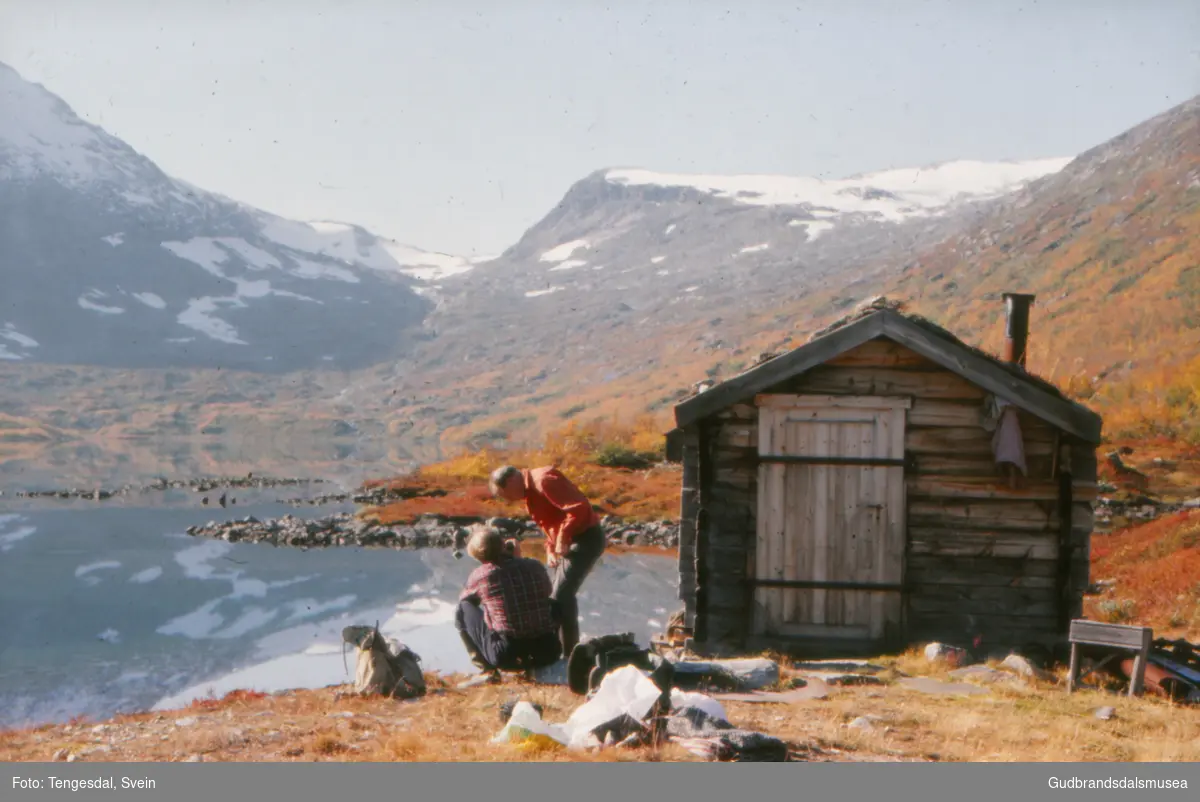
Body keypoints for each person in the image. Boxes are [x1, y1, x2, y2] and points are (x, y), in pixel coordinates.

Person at [489, 464, 606, 657]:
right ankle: (568, 653)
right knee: (560, 596)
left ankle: (570, 656)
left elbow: (579, 508)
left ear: (510, 482)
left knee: (560, 597)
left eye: (504, 494)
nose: (507, 500)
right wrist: (551, 548)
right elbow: (551, 521)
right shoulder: (530, 493)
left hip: (587, 538)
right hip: (574, 541)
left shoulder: (543, 480)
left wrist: (562, 538)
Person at [456, 526, 562, 676]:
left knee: (463, 608)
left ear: (479, 556)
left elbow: (465, 599)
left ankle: (487, 670)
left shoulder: (480, 576)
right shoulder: (534, 565)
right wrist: (517, 559)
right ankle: (556, 653)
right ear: (503, 545)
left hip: (507, 656)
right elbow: (547, 591)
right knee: (551, 603)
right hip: (548, 652)